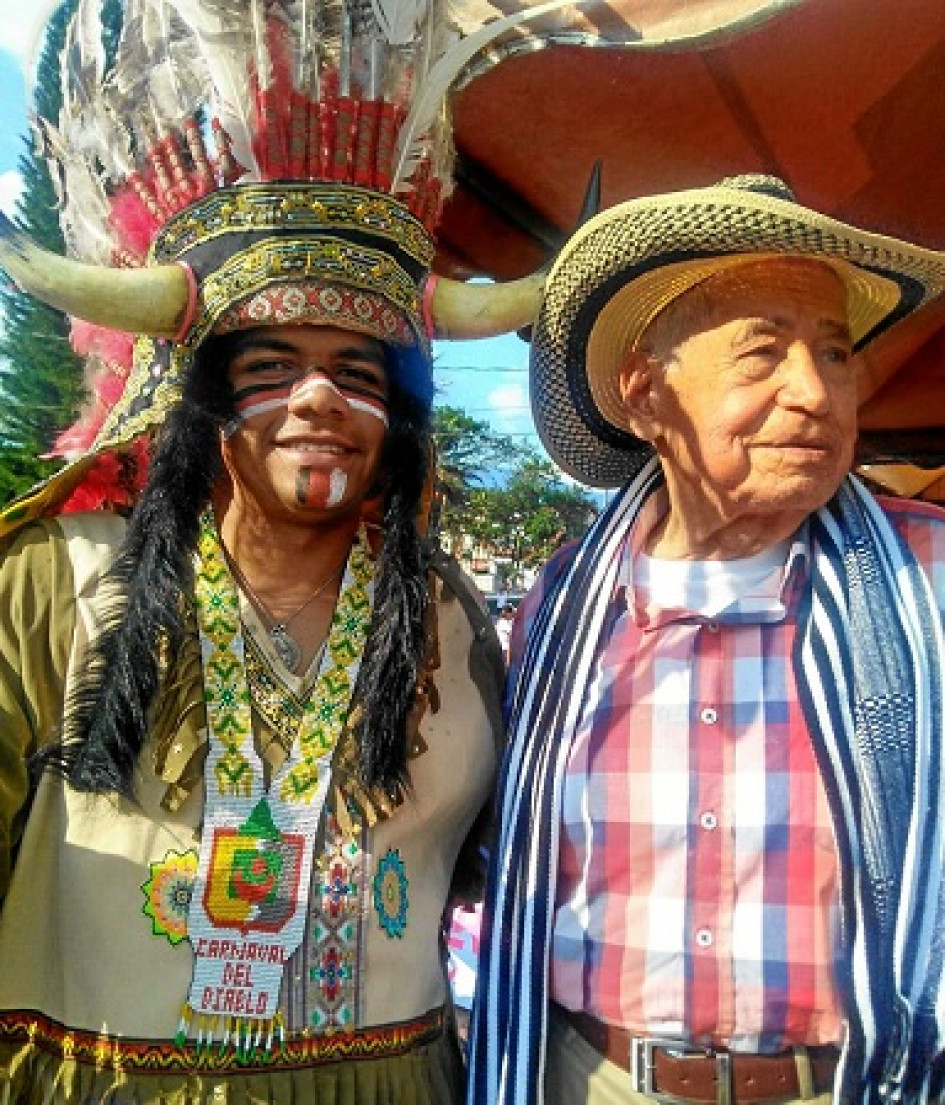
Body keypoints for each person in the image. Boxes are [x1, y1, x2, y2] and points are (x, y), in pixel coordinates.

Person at [0, 1, 548, 1101]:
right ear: (192, 396)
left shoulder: (453, 622)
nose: (316, 399)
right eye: (267, 362)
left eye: (359, 368)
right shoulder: (58, 581)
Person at [468, 175, 945, 1105]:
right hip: (590, 1077)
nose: (812, 392)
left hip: (857, 1082)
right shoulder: (562, 605)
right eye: (762, 352)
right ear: (645, 394)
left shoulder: (927, 582)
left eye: (834, 354)